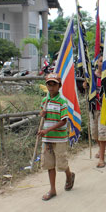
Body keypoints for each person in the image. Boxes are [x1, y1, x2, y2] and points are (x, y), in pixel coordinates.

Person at [39, 73, 75, 201]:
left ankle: (69, 175)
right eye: (49, 84)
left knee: (62, 163)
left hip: (59, 138)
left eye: (54, 84)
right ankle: (52, 189)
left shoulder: (62, 101)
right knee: (49, 164)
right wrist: (42, 114)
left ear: (59, 86)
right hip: (47, 138)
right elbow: (43, 116)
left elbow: (63, 121)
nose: (51, 87)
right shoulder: (44, 101)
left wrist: (47, 130)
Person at [86, 55, 106, 168]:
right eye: (100, 61)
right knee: (95, 134)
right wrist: (85, 86)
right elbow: (85, 89)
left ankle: (102, 159)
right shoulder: (91, 76)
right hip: (93, 109)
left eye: (104, 61)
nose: (102, 63)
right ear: (97, 63)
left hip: (104, 110)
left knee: (102, 133)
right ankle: (101, 149)